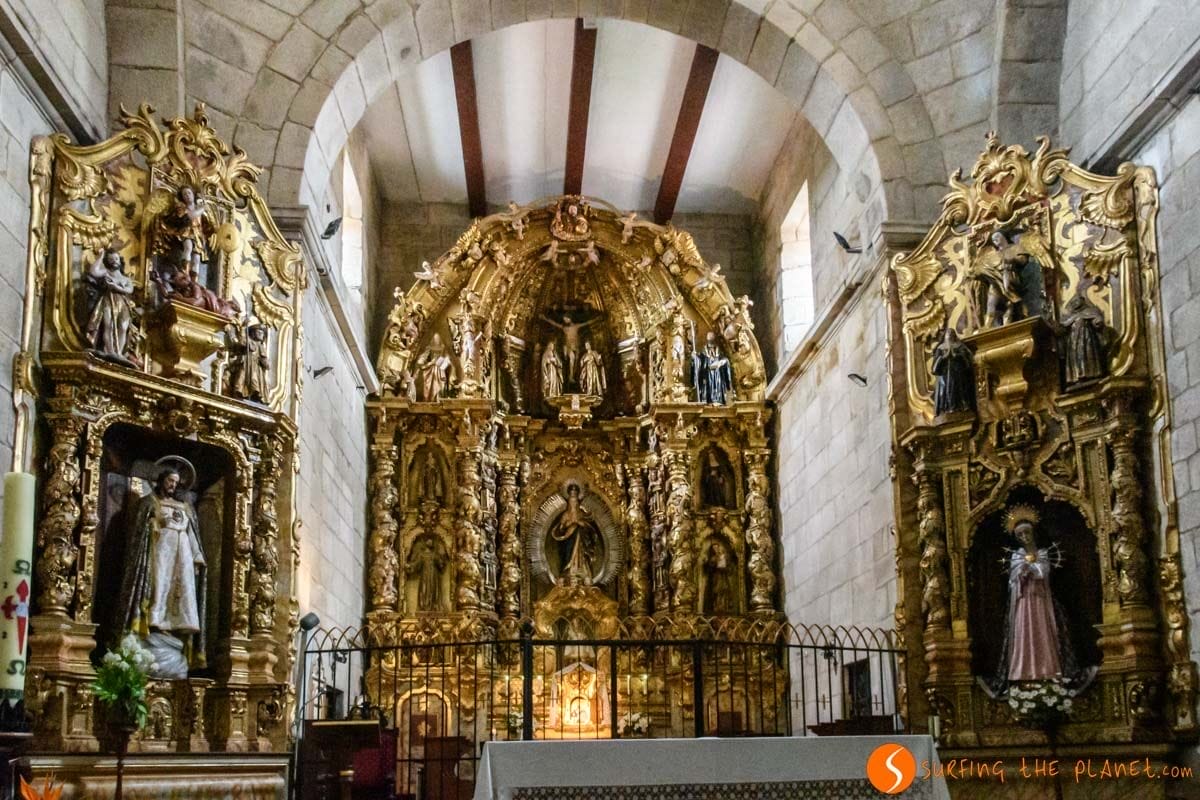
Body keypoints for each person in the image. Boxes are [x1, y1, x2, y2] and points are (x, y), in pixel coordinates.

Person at [116, 458, 207, 678]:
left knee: (182, 591)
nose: (172, 485)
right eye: (169, 481)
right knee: (160, 588)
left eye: (176, 482)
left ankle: (173, 627)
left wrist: (197, 557)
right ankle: (155, 624)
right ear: (161, 481)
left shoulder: (185, 508)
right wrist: (154, 527)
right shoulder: (149, 503)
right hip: (160, 552)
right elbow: (139, 533)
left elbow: (192, 534)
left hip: (182, 555)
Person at [84, 248, 137, 366]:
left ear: (120, 260)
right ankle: (109, 350)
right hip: (108, 300)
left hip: (123, 303)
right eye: (111, 259)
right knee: (109, 325)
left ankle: (119, 352)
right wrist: (100, 256)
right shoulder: (106, 272)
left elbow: (129, 290)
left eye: (116, 258)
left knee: (123, 327)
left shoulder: (126, 279)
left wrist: (115, 287)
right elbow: (94, 271)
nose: (114, 261)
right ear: (107, 262)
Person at [931, 327, 974, 415]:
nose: (950, 335)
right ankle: (946, 408)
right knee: (945, 391)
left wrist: (956, 356)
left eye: (952, 333)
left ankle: (961, 406)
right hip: (944, 375)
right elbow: (935, 367)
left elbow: (966, 360)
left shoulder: (960, 346)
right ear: (945, 336)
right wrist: (944, 357)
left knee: (959, 390)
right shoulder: (940, 348)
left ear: (955, 336)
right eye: (948, 333)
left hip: (958, 373)